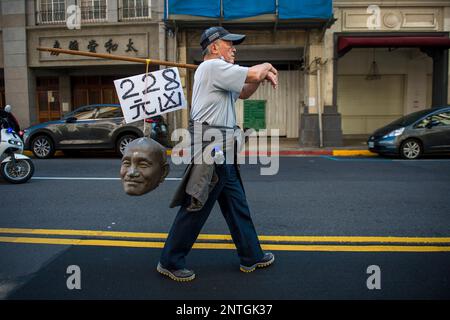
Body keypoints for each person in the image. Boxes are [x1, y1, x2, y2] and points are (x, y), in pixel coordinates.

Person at [157, 26, 278, 282]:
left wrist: (261, 77)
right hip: (211, 144)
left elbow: (244, 90)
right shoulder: (213, 67)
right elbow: (254, 74)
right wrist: (266, 66)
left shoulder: (220, 73)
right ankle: (170, 260)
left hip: (223, 144)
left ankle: (251, 255)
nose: (234, 48)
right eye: (229, 44)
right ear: (214, 47)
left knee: (236, 203)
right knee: (198, 202)